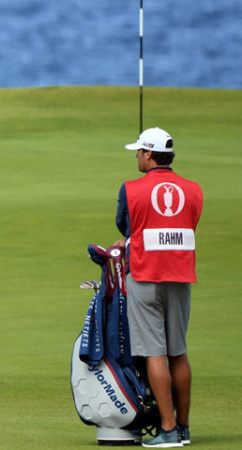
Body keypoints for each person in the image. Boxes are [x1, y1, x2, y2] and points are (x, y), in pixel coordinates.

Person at [114, 127, 202, 448]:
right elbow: (188, 223)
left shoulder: (131, 188)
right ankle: (183, 428)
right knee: (178, 351)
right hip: (180, 277)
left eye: (138, 151)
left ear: (149, 154)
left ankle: (167, 429)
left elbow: (125, 225)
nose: (136, 156)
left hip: (145, 276)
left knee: (155, 352)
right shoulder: (193, 189)